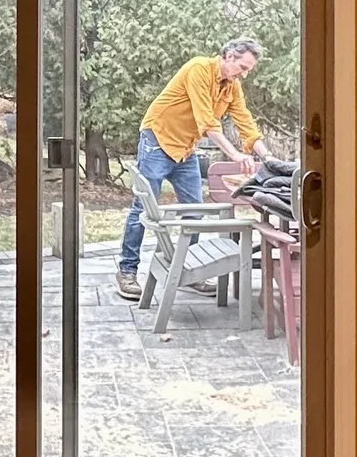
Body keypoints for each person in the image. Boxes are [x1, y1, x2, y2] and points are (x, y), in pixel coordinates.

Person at [116, 36, 274, 298]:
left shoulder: (231, 86)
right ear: (229, 56)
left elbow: (245, 122)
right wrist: (235, 155)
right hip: (158, 140)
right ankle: (127, 271)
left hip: (185, 149)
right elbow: (207, 122)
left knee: (195, 212)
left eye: (248, 70)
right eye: (242, 67)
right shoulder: (199, 68)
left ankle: (186, 272)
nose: (243, 75)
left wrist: (267, 157)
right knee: (144, 208)